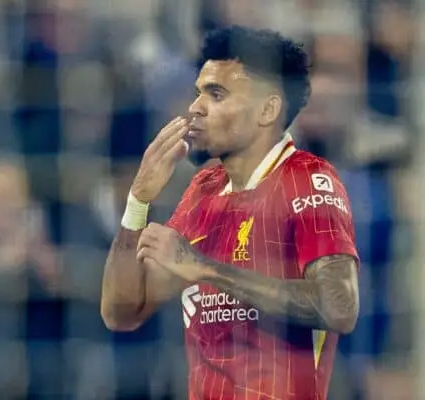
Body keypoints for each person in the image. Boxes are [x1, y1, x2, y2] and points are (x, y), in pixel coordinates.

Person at [100, 26, 360, 400]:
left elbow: (340, 305)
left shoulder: (307, 179)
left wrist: (206, 269)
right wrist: (138, 201)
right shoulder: (203, 191)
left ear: (267, 110)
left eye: (216, 94)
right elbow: (122, 312)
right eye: (197, 92)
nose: (195, 107)